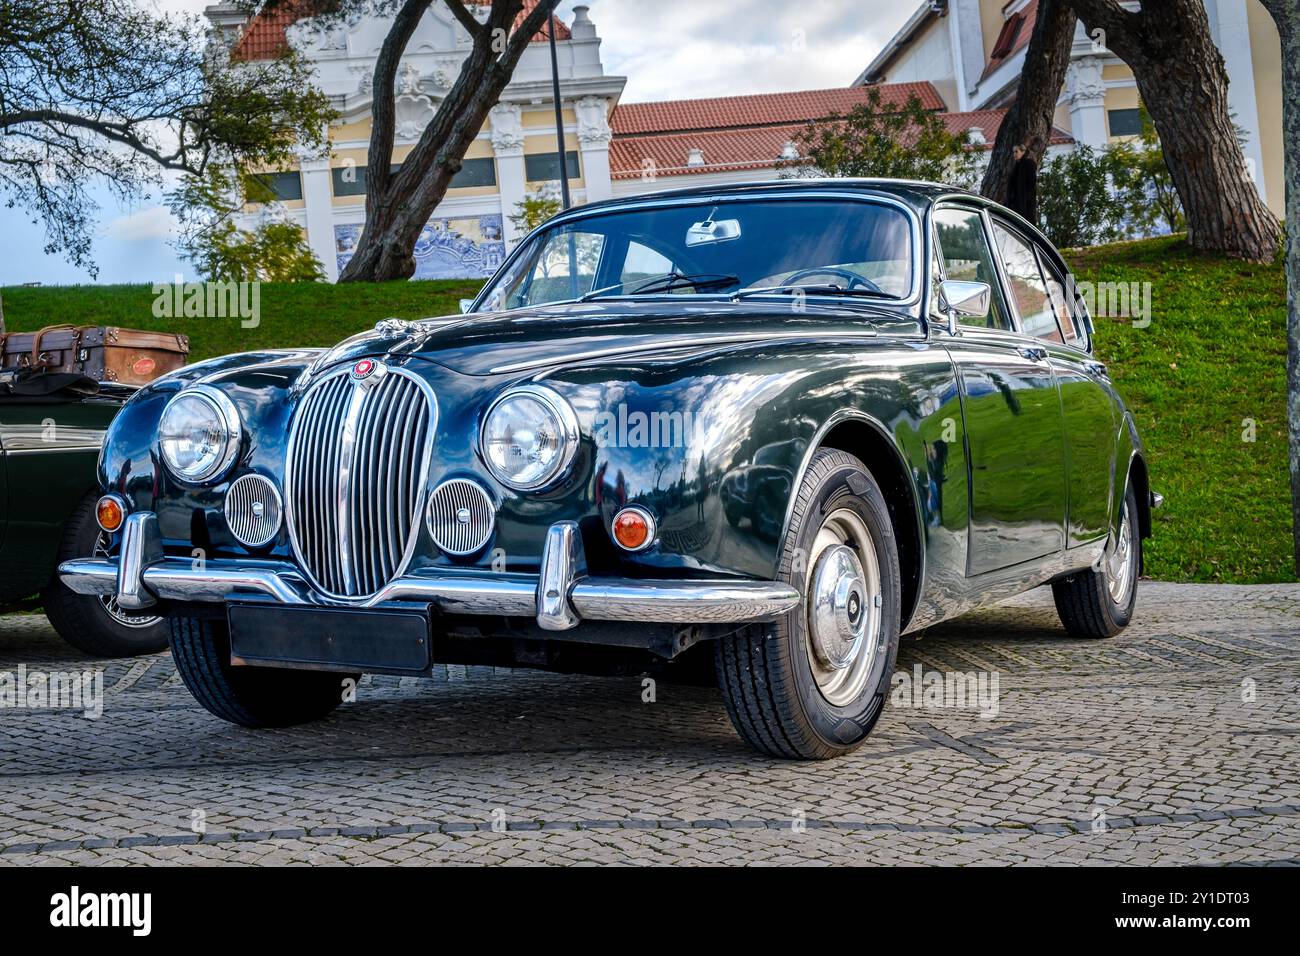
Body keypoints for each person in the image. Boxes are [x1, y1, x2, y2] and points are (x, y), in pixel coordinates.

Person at [1007, 142, 1039, 224]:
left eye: (1016, 151)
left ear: (1023, 152)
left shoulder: (1029, 164)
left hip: (1025, 205)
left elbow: (1031, 185)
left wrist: (1026, 202)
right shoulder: (1016, 166)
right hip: (1017, 204)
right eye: (1013, 152)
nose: (1014, 154)